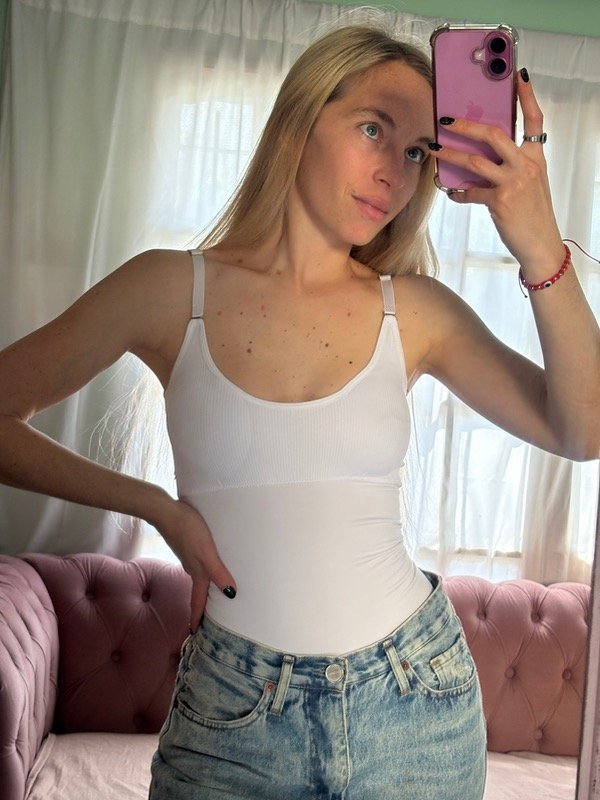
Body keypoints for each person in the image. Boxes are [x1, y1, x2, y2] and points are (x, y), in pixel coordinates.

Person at [0, 22, 599, 800]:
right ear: (299, 118)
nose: (394, 172)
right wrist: (156, 507)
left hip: (414, 698)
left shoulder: (416, 311)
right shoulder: (167, 288)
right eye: (373, 129)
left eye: (418, 152)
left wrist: (541, 246)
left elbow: (583, 430)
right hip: (234, 714)